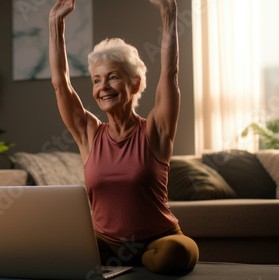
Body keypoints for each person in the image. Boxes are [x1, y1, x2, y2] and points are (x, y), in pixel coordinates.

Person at [48, 0, 199, 275]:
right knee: (56, 245)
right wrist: (55, 24)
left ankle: (128, 265)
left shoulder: (156, 129)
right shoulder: (89, 133)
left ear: (135, 83)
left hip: (159, 239)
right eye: (96, 80)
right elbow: (61, 84)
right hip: (105, 242)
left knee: (177, 253)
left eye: (113, 77)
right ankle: (121, 265)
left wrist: (169, 13)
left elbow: (171, 74)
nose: (103, 87)